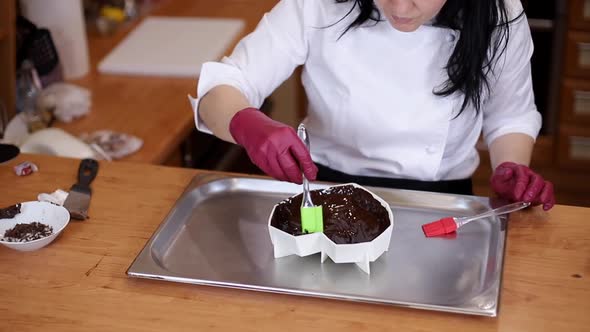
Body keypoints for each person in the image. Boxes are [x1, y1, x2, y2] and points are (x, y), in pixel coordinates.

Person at [189, 0, 555, 210]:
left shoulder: (498, 13)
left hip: (439, 200)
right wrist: (247, 123)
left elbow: (510, 114)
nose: (399, 7)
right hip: (321, 190)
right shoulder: (318, 4)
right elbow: (226, 85)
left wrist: (511, 167)